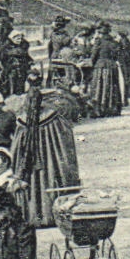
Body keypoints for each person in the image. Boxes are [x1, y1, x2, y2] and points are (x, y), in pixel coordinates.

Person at [11, 77, 82, 228]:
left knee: (33, 182)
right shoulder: (53, 116)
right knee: (50, 177)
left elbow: (16, 146)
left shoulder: (22, 120)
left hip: (29, 160)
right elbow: (65, 140)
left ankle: (34, 215)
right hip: (50, 159)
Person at [86, 24, 125, 117]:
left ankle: (99, 109)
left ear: (100, 33)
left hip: (101, 66)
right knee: (112, 87)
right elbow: (117, 55)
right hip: (112, 66)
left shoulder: (98, 42)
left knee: (99, 87)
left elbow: (93, 56)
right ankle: (112, 108)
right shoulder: (114, 42)